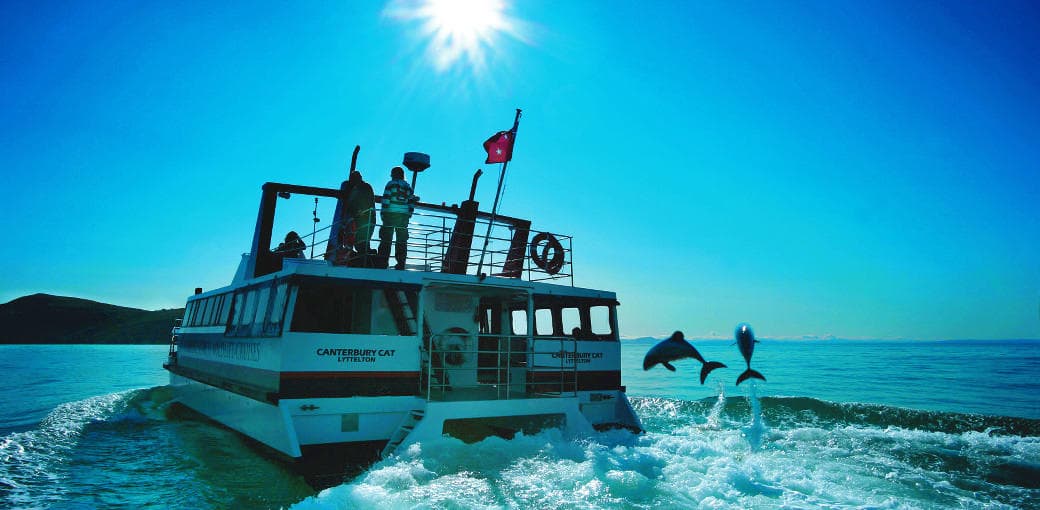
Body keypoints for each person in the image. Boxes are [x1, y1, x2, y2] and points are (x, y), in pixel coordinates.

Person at [378, 166, 416, 269]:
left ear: (393, 174)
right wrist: (409, 214)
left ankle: (382, 262)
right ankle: (401, 263)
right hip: (403, 216)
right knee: (401, 240)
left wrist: (383, 213)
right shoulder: (408, 187)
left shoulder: (391, 184)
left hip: (390, 215)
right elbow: (411, 202)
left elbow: (386, 199)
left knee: (386, 239)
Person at [345, 170, 375, 266]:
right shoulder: (359, 188)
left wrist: (359, 211)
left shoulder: (363, 187)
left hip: (365, 219)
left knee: (361, 242)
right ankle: (365, 261)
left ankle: (365, 262)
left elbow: (365, 202)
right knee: (360, 242)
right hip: (362, 219)